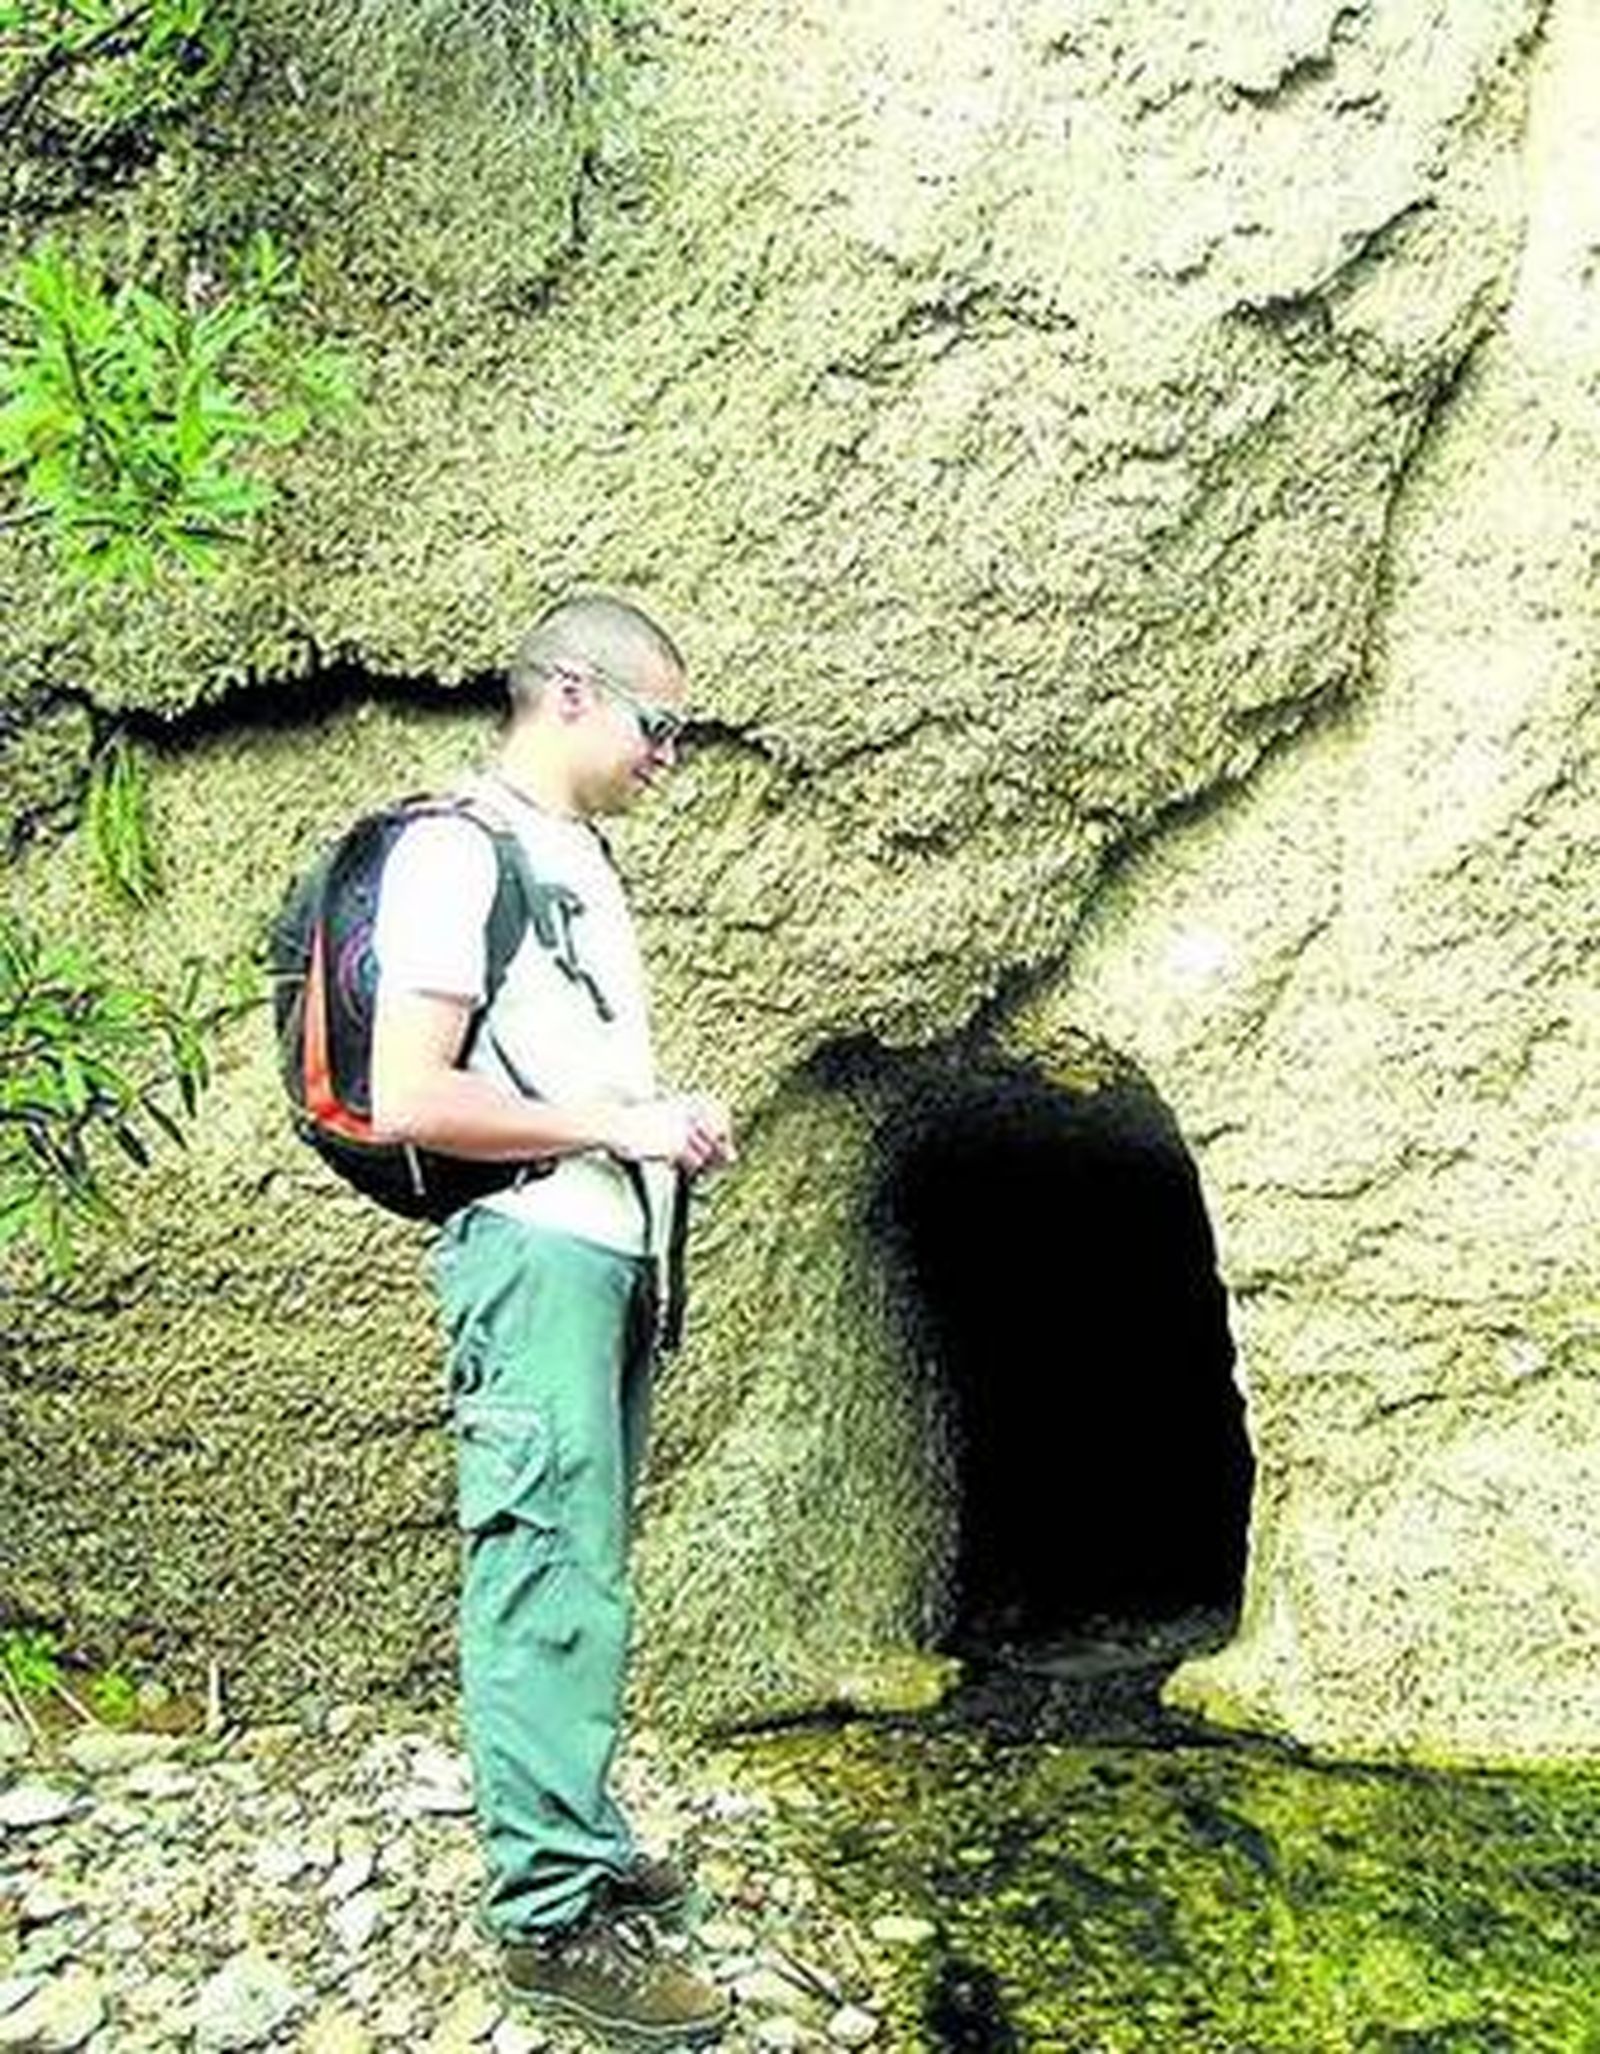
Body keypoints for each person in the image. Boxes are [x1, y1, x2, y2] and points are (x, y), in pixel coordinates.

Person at [370, 592, 735, 2042]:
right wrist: (613, 1124)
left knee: (583, 1569)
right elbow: (411, 1092)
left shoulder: (573, 858)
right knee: (542, 1571)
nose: (670, 757)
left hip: (599, 1254)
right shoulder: (457, 850)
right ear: (573, 695)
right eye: (663, 727)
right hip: (530, 1254)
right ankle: (547, 1923)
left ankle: (575, 1837)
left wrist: (645, 1130)